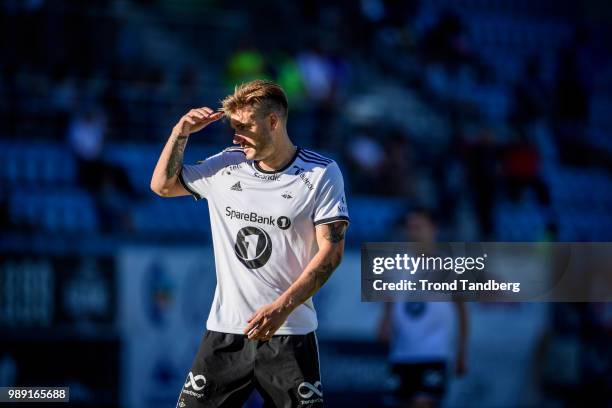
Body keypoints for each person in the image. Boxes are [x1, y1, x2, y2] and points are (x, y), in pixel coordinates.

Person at [150, 79, 349, 408]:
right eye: (233, 127)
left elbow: (332, 253)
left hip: (289, 337)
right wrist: (179, 133)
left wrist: (281, 309)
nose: (235, 136)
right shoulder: (226, 165)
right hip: (226, 334)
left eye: (243, 126)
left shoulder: (321, 173)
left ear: (273, 122)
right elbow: (163, 186)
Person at [378, 209, 468, 408]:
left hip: (434, 352)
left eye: (418, 227)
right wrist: (384, 324)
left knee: (423, 403)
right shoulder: (397, 265)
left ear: (433, 229)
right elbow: (390, 302)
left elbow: (462, 311)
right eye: (410, 227)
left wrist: (461, 352)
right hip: (402, 353)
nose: (413, 232)